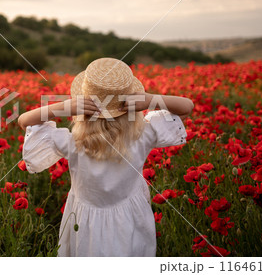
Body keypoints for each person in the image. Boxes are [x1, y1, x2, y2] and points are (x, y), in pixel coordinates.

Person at [17, 58, 194, 257]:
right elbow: (187, 106)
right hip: (131, 219)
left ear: (81, 106)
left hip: (84, 223)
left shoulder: (73, 142)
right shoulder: (144, 134)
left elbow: (24, 121)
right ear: (132, 104)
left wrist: (63, 107)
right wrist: (150, 99)